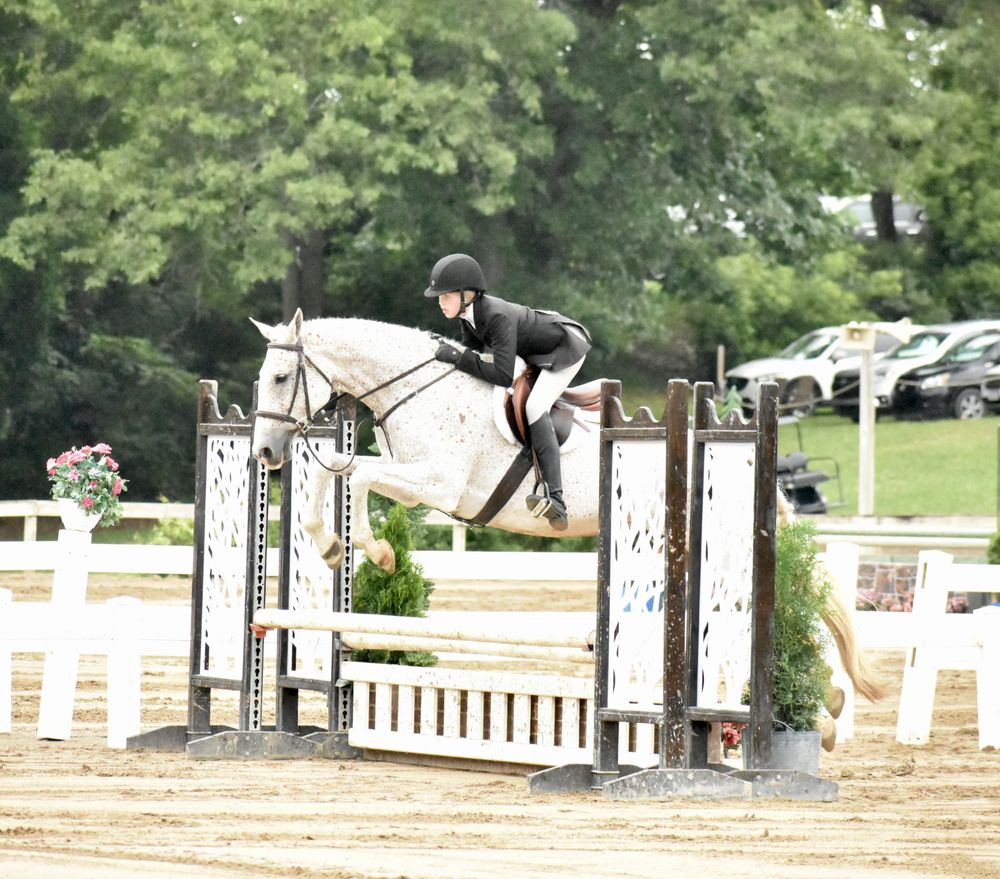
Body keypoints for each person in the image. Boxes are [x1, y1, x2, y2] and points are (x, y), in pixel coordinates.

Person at [423, 253, 591, 531]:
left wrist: (457, 357)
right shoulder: (468, 315)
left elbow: (499, 373)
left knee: (534, 406)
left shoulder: (496, 315)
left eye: (446, 296)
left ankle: (557, 499)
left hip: (565, 348)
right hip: (535, 351)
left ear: (467, 294)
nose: (441, 303)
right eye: (439, 297)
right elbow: (474, 354)